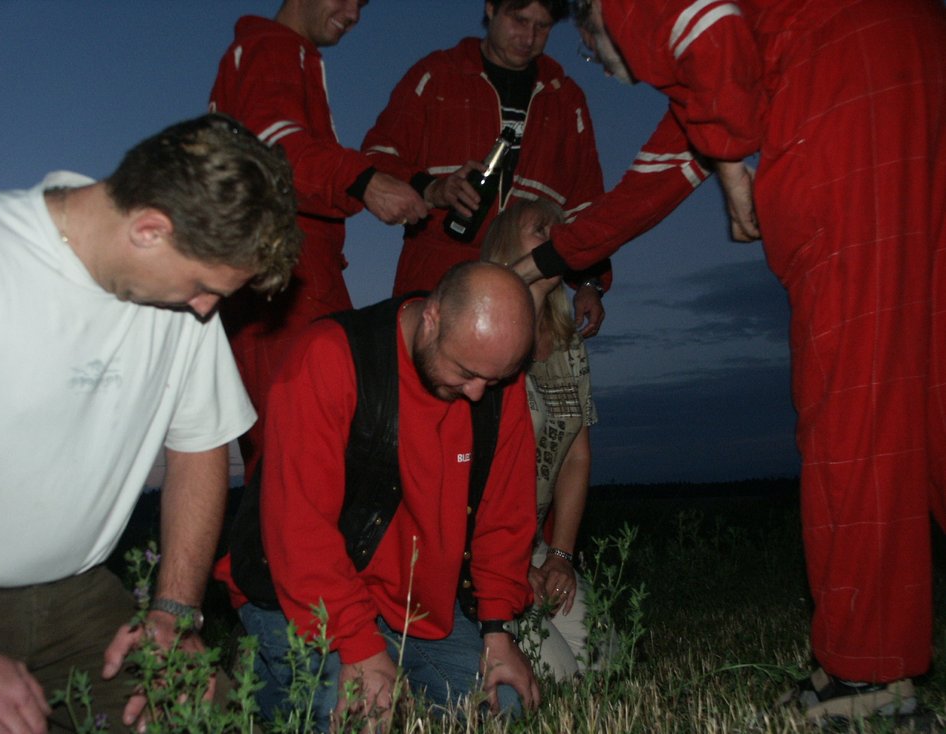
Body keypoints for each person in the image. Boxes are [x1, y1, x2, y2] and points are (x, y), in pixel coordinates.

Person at [513, 0, 946, 721]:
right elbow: (650, 183)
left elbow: (706, 42)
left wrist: (733, 166)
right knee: (929, 372)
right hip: (918, 60)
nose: (610, 67)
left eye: (590, 48)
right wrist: (548, 261)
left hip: (842, 90)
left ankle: (867, 673)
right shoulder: (733, 71)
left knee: (854, 389)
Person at [0, 114, 301, 733]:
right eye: (205, 288)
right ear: (150, 228)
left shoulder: (184, 306)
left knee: (208, 717)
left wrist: (175, 611)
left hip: (79, 596)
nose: (209, 311)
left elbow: (200, 448)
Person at [216, 262, 541, 729]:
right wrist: (360, 645)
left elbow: (504, 515)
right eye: (466, 372)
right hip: (297, 594)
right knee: (353, 719)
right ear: (431, 318)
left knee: (505, 710)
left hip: (411, 604)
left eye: (493, 380)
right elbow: (298, 529)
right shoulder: (330, 357)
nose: (476, 394)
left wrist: (496, 628)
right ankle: (266, 677)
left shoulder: (496, 383)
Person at [209, 0, 429, 478]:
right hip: (282, 287)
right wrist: (363, 180)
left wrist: (422, 186)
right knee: (298, 457)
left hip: (296, 282)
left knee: (312, 451)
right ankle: (272, 555)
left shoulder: (279, 54)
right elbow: (276, 147)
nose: (354, 14)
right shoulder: (272, 48)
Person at [361, 0, 611, 337]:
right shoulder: (436, 74)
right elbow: (376, 157)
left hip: (531, 291)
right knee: (430, 383)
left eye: (542, 26)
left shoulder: (567, 99)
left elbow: (588, 202)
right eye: (519, 20)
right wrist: (433, 189)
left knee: (522, 389)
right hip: (436, 280)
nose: (529, 37)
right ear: (491, 8)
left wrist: (590, 281)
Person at [482, 200, 596, 680]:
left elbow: (576, 457)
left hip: (536, 547)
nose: (556, 237)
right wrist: (501, 562)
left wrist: (561, 556)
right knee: (557, 679)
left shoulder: (566, 343)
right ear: (508, 247)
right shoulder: (480, 333)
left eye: (560, 229)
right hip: (482, 548)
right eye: (539, 230)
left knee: (599, 665)